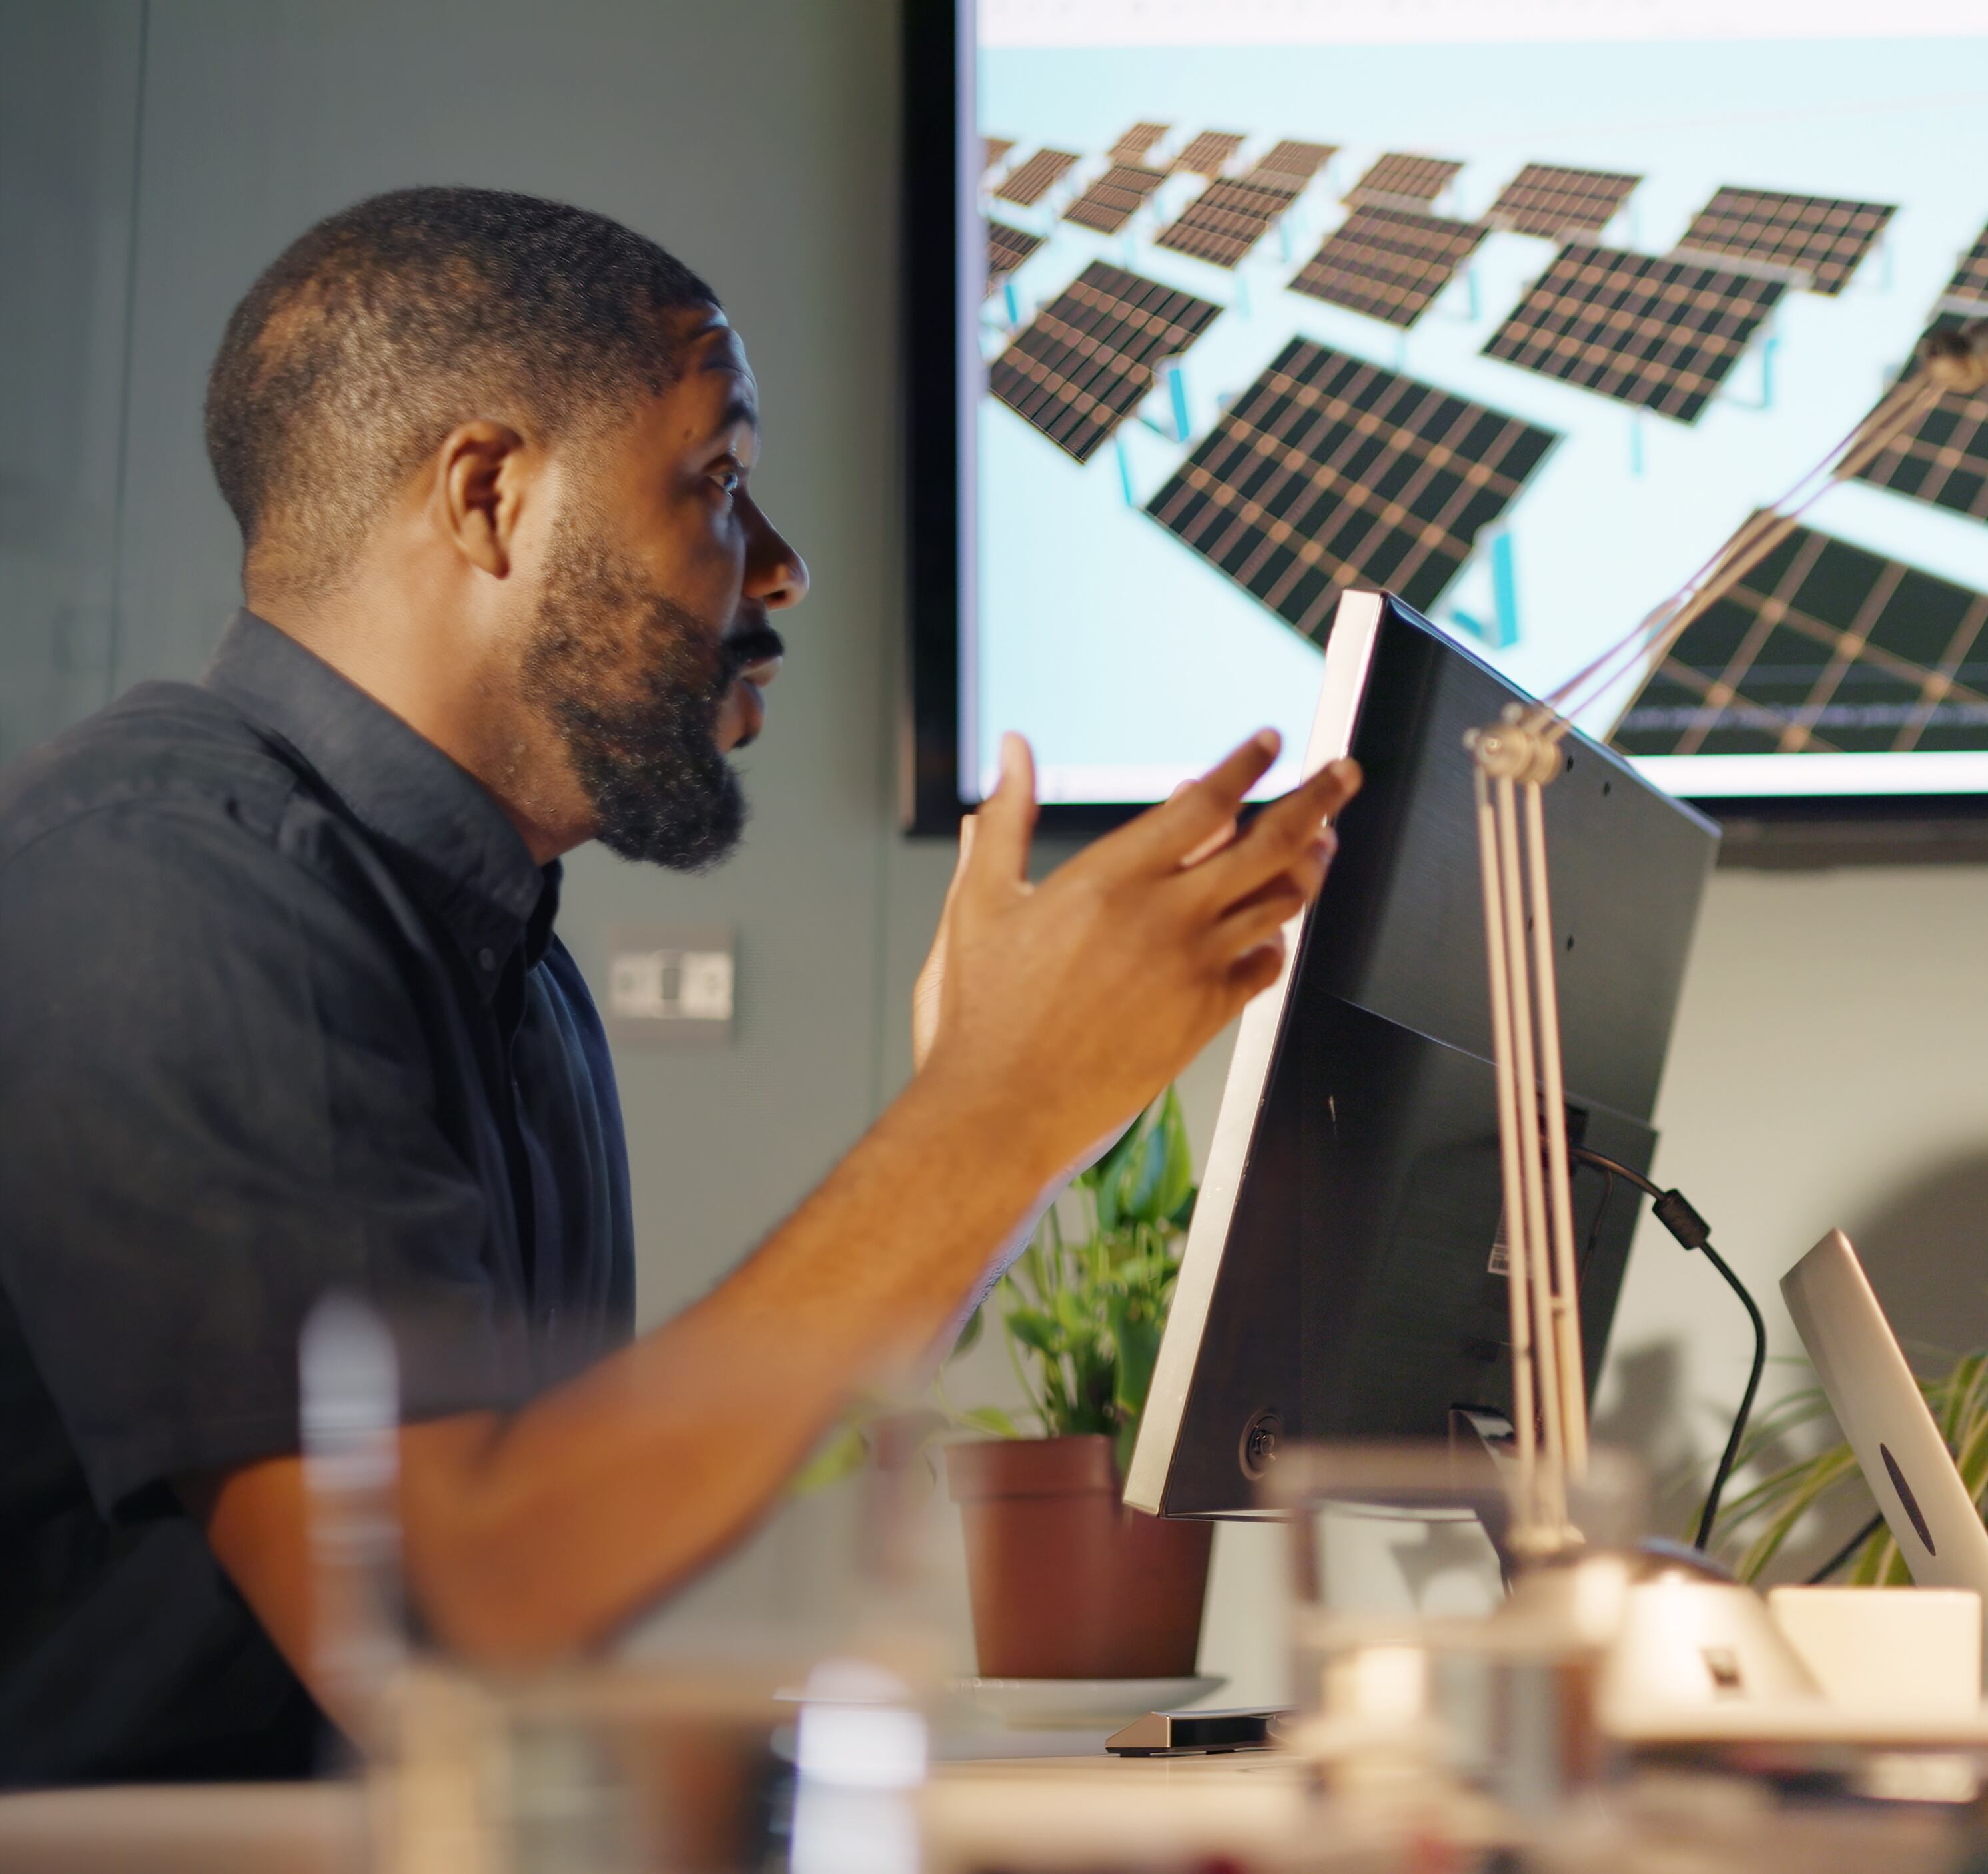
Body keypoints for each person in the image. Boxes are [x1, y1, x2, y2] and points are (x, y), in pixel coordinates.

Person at [0, 187, 1359, 1785]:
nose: (778, 571)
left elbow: (572, 1541)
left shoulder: (519, 978)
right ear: (493, 498)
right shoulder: (160, 879)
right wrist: (988, 1119)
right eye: (719, 478)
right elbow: (445, 1622)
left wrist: (1002, 1124)